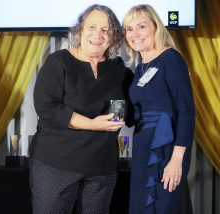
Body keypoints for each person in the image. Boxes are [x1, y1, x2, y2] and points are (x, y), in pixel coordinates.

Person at [29, 4, 133, 214]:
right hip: (56, 165)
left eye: (105, 30)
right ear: (80, 30)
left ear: (113, 36)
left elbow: (136, 104)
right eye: (92, 27)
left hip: (101, 169)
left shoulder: (118, 69)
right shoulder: (59, 61)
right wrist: (93, 124)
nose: (98, 35)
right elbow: (47, 107)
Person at [122, 4, 196, 214]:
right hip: (143, 144)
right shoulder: (140, 66)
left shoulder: (170, 59)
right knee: (140, 206)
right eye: (129, 29)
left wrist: (176, 160)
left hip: (166, 148)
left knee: (163, 207)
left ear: (156, 27)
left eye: (141, 26)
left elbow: (186, 112)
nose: (134, 34)